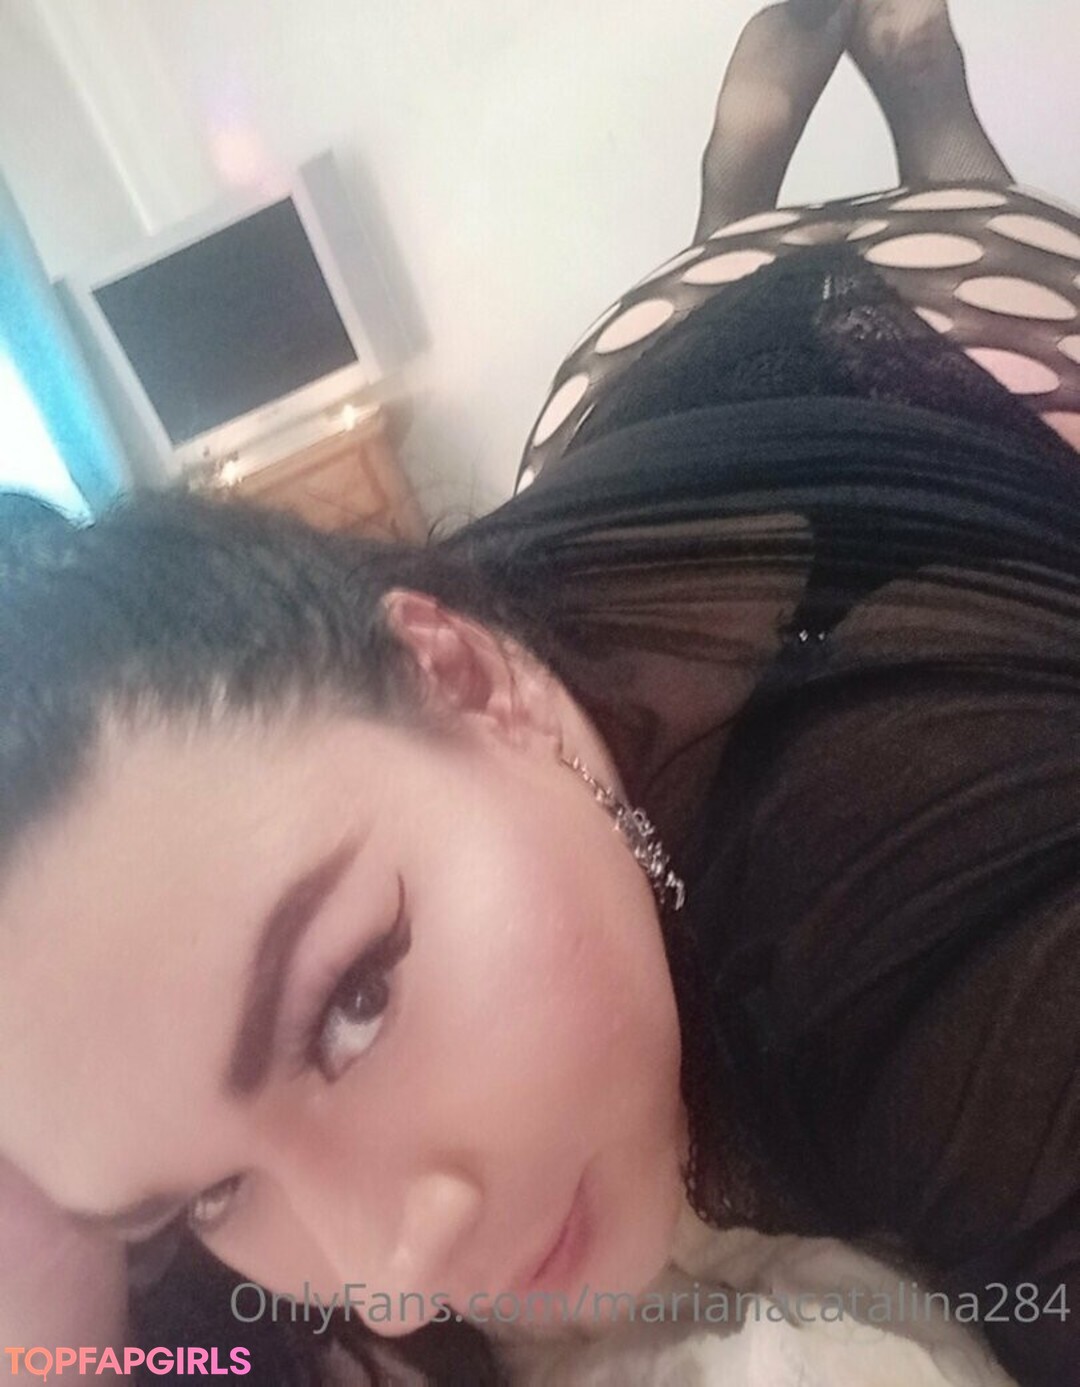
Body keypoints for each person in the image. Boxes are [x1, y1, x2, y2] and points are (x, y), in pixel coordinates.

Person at [1, 1, 1078, 1384]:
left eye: (352, 1000)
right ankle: (728, 202)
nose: (394, 1276)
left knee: (973, 251)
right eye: (204, 1197)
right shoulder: (381, 785)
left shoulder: (920, 889)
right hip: (617, 448)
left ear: (465, 676)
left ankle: (921, 100)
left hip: (914, 377)